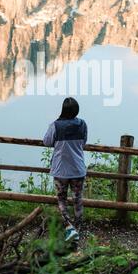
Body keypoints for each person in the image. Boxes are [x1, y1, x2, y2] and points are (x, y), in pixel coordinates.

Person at [43, 97, 87, 242]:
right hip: (78, 169)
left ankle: (69, 228)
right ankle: (78, 228)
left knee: (61, 199)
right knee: (77, 199)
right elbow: (84, 142)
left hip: (61, 170)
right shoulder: (82, 125)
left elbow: (47, 142)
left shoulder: (55, 125)